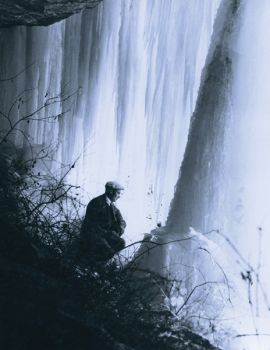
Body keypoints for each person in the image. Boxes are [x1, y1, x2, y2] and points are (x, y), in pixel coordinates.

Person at [80, 181, 126, 263]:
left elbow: (122, 221)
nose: (119, 196)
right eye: (118, 193)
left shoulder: (112, 206)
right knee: (108, 250)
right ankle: (93, 266)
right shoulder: (97, 202)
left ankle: (97, 265)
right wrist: (109, 234)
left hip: (104, 235)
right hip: (92, 235)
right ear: (110, 191)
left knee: (121, 243)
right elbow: (92, 225)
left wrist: (119, 230)